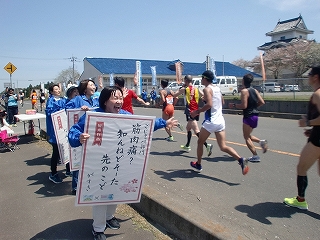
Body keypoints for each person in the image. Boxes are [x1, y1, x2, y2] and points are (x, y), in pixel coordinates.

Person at [68, 86, 179, 240]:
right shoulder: (91, 116)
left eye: (121, 98)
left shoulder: (125, 115)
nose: (119, 101)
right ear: (105, 100)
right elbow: (73, 132)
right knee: (100, 196)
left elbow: (143, 125)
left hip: (119, 162)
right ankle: (98, 229)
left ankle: (109, 217)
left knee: (116, 191)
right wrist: (79, 137)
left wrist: (163, 123)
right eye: (115, 98)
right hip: (99, 165)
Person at [190, 70, 249, 175]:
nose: (201, 80)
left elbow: (209, 105)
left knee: (200, 142)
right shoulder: (217, 88)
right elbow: (222, 102)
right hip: (220, 120)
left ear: (205, 78)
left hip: (211, 121)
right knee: (223, 146)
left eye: (201, 78)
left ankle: (198, 164)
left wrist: (197, 111)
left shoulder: (207, 89)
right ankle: (240, 160)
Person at [283, 66, 320, 210]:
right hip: (316, 135)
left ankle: (300, 200)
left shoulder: (317, 94)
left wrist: (308, 122)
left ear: (316, 77)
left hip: (317, 141)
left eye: (310, 74)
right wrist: (312, 129)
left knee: (301, 167)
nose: (308, 77)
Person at [66, 79, 99, 194]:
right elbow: (67, 110)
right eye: (91, 85)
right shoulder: (78, 99)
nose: (94, 87)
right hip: (80, 133)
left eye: (94, 85)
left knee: (91, 160)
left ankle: (89, 184)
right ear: (85, 88)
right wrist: (79, 110)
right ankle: (75, 187)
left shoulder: (96, 100)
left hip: (93, 133)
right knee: (79, 160)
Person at [229, 74, 268, 162]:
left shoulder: (244, 91)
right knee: (248, 135)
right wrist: (254, 107)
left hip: (248, 116)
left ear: (243, 81)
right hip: (255, 116)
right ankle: (261, 142)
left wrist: (234, 105)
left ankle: (255, 156)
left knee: (246, 137)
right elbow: (262, 102)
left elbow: (244, 105)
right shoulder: (255, 90)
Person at [173, 75, 213, 156]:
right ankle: (187, 145)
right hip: (196, 110)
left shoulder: (185, 89)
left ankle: (207, 145)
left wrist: (179, 89)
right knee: (188, 128)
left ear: (186, 81)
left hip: (190, 110)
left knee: (196, 129)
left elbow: (174, 95)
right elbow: (204, 96)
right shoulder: (196, 89)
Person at [45, 84, 68, 184]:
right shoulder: (51, 101)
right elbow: (51, 113)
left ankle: (68, 170)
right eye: (56, 89)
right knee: (56, 152)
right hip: (55, 131)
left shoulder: (63, 99)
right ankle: (53, 173)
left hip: (64, 129)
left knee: (67, 149)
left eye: (58, 89)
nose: (58, 90)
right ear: (51, 92)